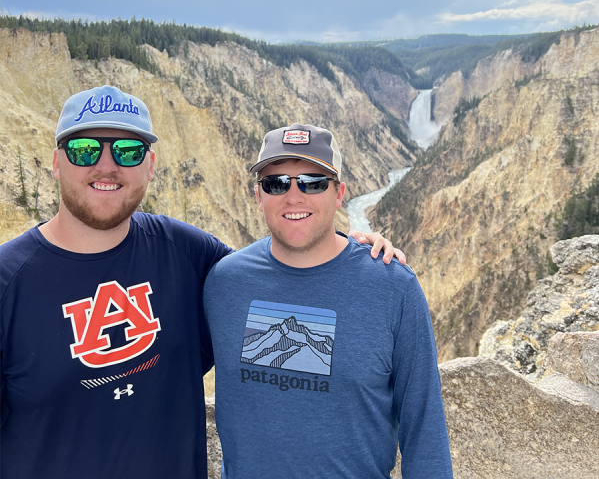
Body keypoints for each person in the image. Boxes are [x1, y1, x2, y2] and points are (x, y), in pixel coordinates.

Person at [0, 85, 404, 479]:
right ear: (56, 162)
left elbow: (276, 281)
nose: (107, 166)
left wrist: (342, 252)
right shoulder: (9, 281)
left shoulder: (184, 251)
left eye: (127, 151)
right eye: (84, 149)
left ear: (151, 165)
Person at [204, 123, 453, 479]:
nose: (294, 196)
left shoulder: (393, 287)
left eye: (313, 182)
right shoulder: (225, 282)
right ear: (259, 196)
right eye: (276, 183)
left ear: (339, 194)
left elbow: (424, 427)